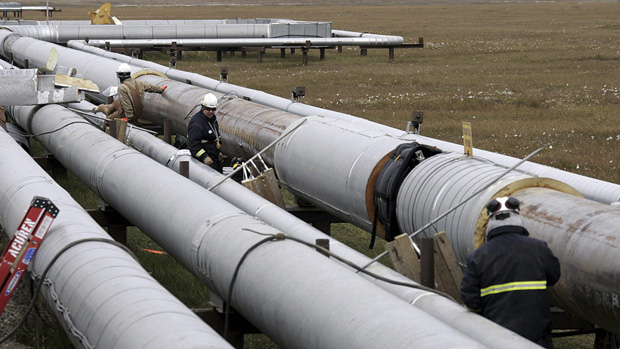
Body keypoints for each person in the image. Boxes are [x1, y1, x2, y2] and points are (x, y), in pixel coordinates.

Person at [460, 196, 561, 348]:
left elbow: (471, 300)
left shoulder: (478, 256)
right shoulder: (539, 248)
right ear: (518, 218)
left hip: (496, 337)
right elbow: (554, 276)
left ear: (490, 223)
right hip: (537, 335)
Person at [94, 63, 166, 123]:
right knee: (117, 102)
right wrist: (160, 89)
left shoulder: (122, 88)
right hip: (138, 112)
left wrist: (128, 118)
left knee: (107, 120)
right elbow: (150, 87)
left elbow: (127, 104)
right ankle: (104, 108)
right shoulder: (138, 82)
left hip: (128, 114)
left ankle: (104, 110)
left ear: (120, 75)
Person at [188, 93, 223, 173]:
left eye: (213, 109)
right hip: (203, 164)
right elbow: (193, 144)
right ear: (202, 107)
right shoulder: (197, 123)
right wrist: (204, 157)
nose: (211, 112)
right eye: (208, 109)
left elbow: (215, 136)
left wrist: (219, 152)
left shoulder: (212, 120)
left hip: (214, 159)